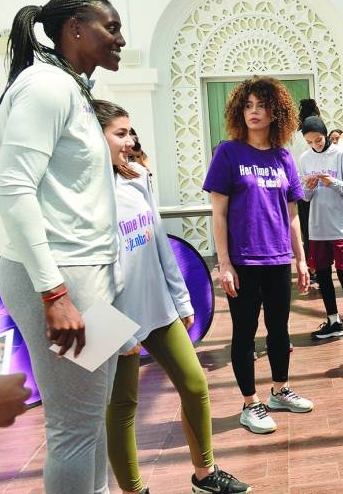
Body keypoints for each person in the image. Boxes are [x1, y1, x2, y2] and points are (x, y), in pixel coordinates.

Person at [0, 0, 126, 493]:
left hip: (86, 276)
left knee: (90, 420)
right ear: (75, 29)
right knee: (73, 428)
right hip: (61, 279)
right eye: (110, 28)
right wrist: (53, 292)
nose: (120, 39)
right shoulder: (45, 86)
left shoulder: (69, 88)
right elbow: (12, 187)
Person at [95, 101, 249, 494]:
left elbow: (159, 240)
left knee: (195, 385)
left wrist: (180, 299)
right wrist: (112, 331)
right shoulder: (79, 193)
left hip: (155, 304)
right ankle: (134, 490)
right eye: (120, 133)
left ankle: (205, 476)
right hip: (106, 316)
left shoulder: (138, 177)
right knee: (121, 408)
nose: (130, 140)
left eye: (131, 132)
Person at [203, 76, 314, 435]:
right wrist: (224, 263)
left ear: (275, 112)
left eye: (262, 105)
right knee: (245, 333)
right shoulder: (228, 153)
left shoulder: (283, 157)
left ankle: (280, 389)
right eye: (248, 105)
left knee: (280, 329)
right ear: (240, 110)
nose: (254, 112)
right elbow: (218, 214)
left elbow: (293, 215)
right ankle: (250, 404)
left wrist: (300, 259)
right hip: (244, 261)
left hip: (279, 257)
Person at [299, 117, 343, 340]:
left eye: (318, 140)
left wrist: (332, 182)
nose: (315, 145)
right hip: (318, 227)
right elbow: (306, 198)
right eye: (310, 142)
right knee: (324, 275)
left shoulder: (341, 154)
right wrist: (308, 188)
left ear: (326, 135)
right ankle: (333, 320)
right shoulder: (305, 159)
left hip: (342, 226)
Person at [297, 99, 322, 281]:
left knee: (306, 229)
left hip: (300, 188)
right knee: (319, 229)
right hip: (320, 186)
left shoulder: (294, 135)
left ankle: (311, 266)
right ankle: (319, 267)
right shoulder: (317, 135)